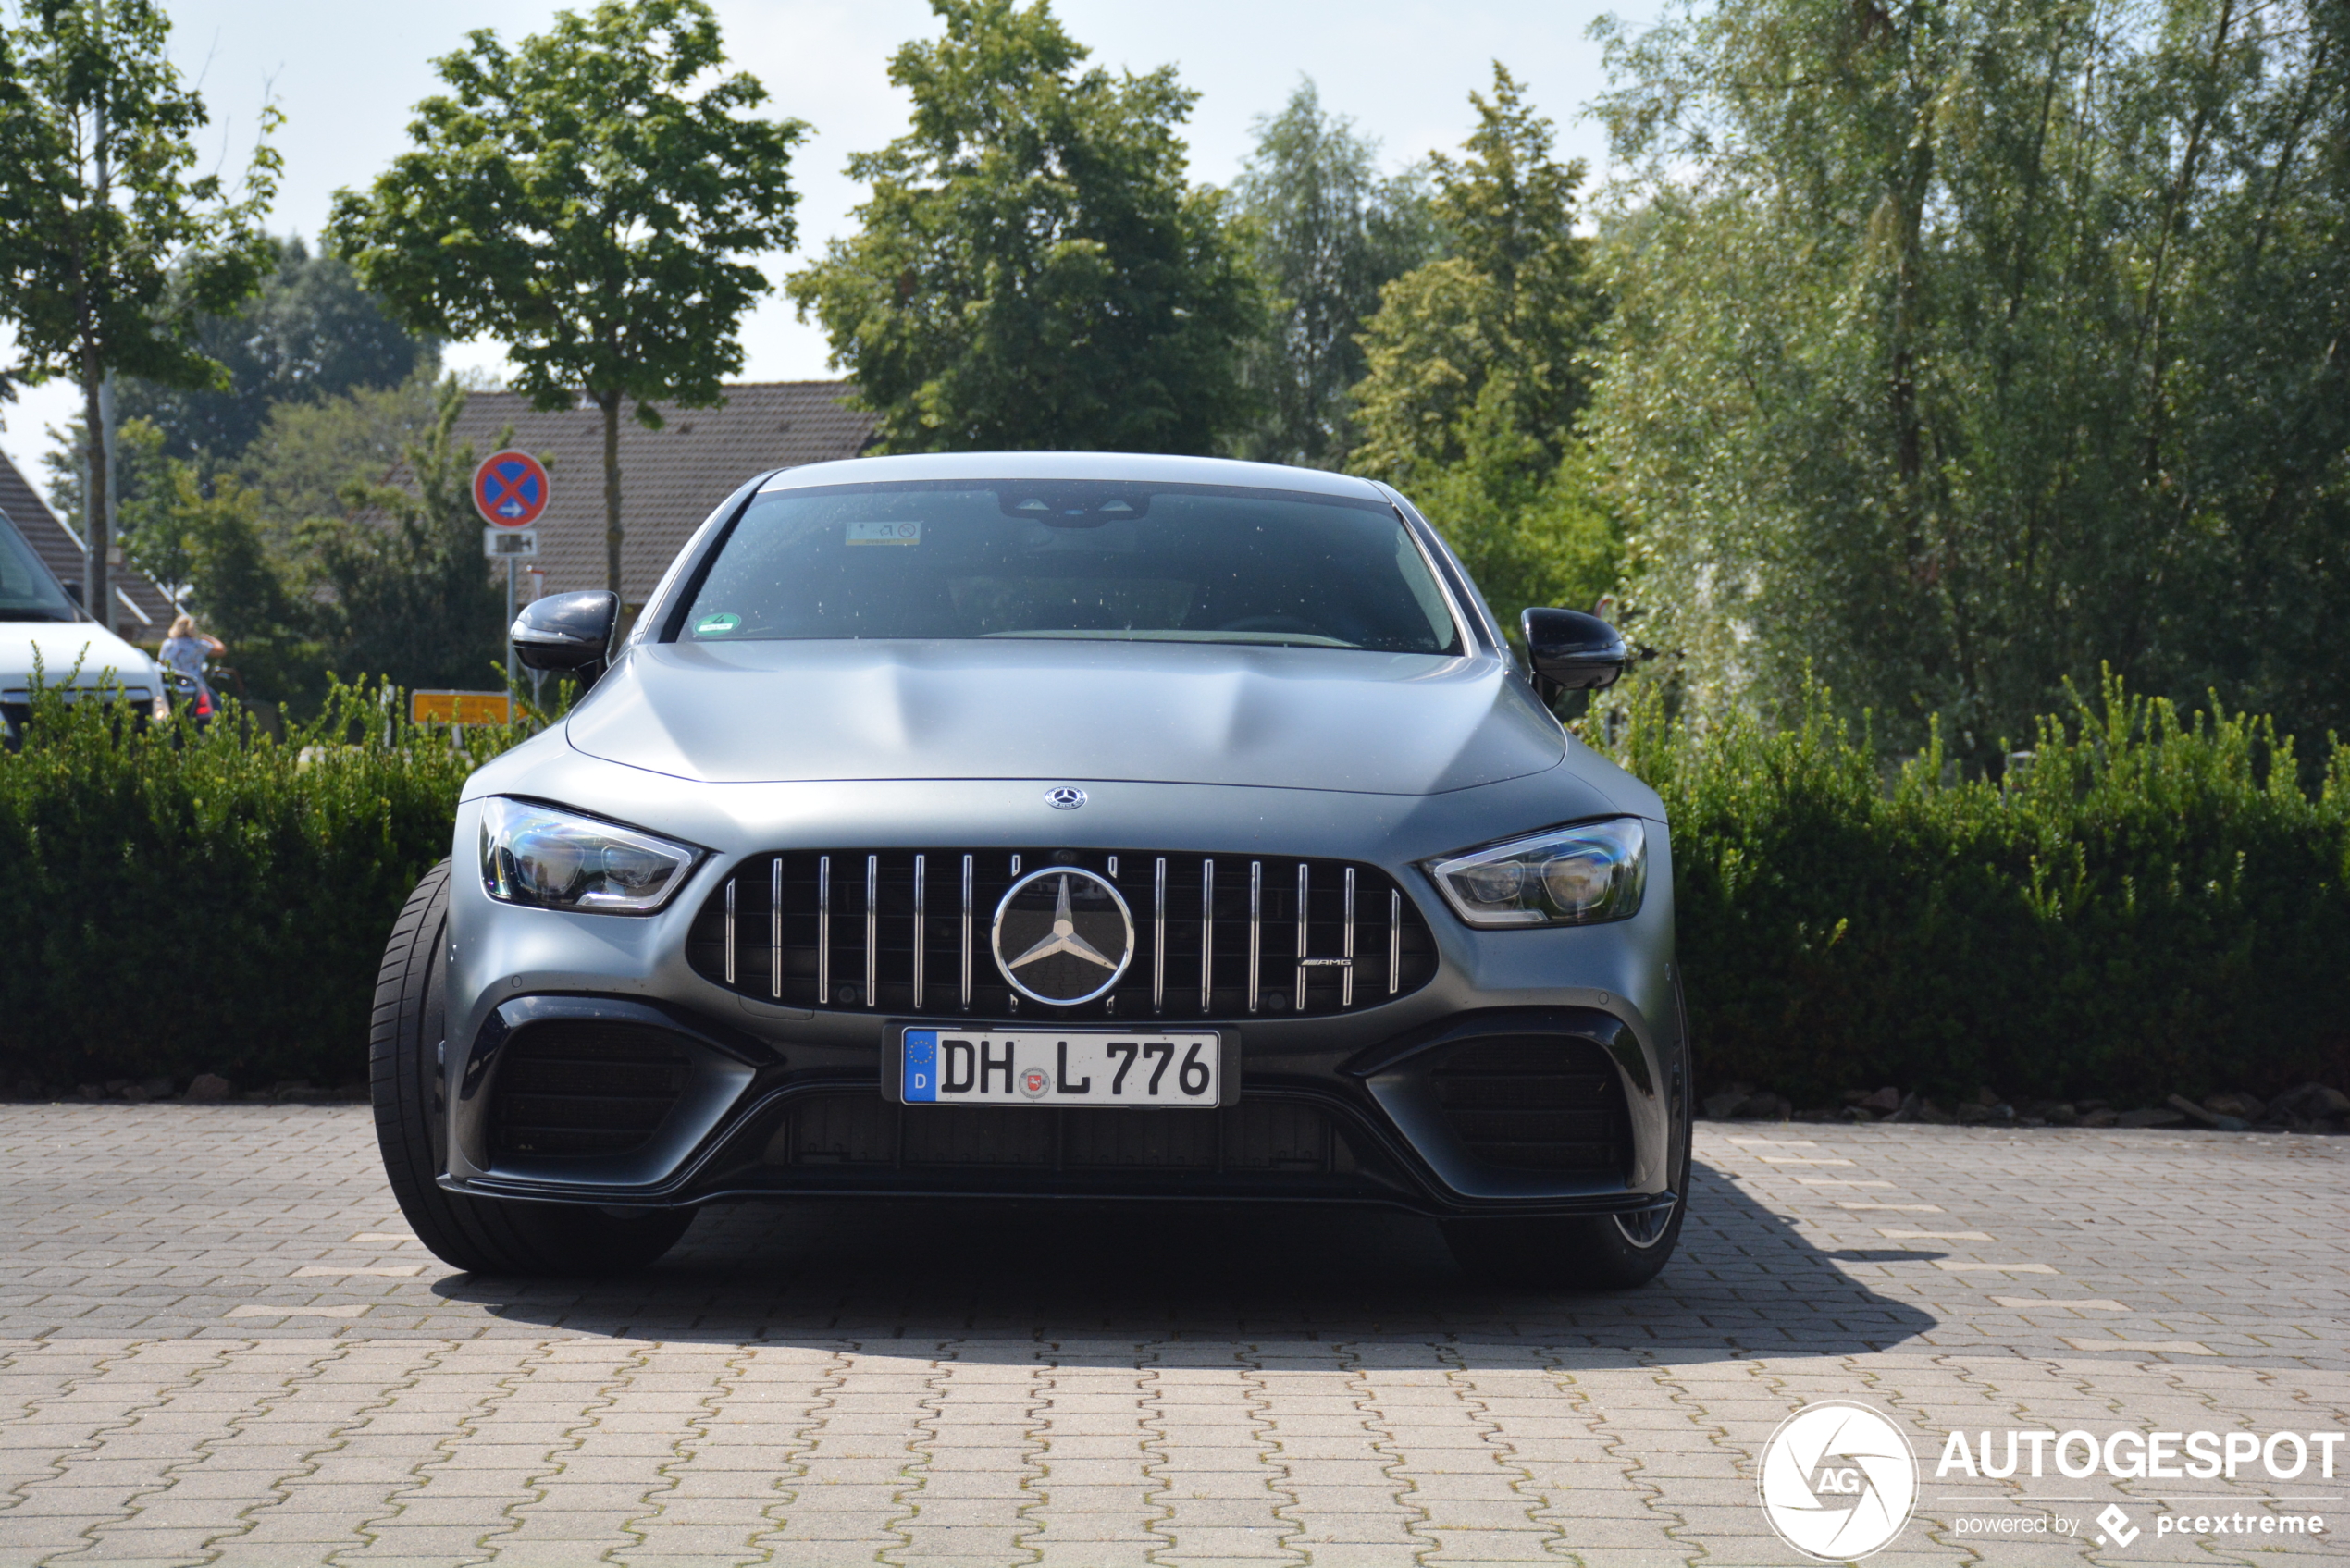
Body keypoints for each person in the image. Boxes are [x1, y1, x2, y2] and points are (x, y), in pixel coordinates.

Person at [157, 615, 224, 684]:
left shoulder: (167, 644)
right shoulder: (198, 645)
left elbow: (162, 662)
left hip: (173, 683)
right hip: (195, 684)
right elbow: (221, 651)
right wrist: (208, 638)